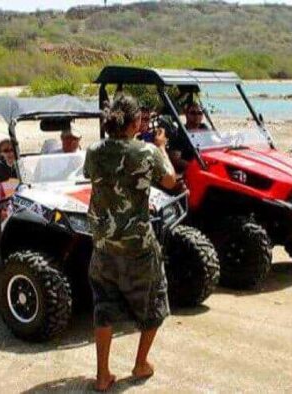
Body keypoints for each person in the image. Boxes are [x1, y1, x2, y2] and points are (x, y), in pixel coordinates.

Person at [84, 93, 178, 392]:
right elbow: (170, 181)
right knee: (154, 300)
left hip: (103, 243)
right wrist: (162, 147)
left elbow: (93, 176)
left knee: (104, 305)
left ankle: (102, 375)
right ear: (136, 121)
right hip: (138, 246)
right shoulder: (148, 152)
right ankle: (139, 364)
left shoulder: (94, 150)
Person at [167, 101, 210, 173]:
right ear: (186, 115)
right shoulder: (179, 133)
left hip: (206, 165)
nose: (197, 116)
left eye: (199, 113)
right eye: (193, 113)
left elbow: (214, 144)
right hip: (187, 171)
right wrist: (195, 167)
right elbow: (175, 160)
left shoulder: (204, 128)